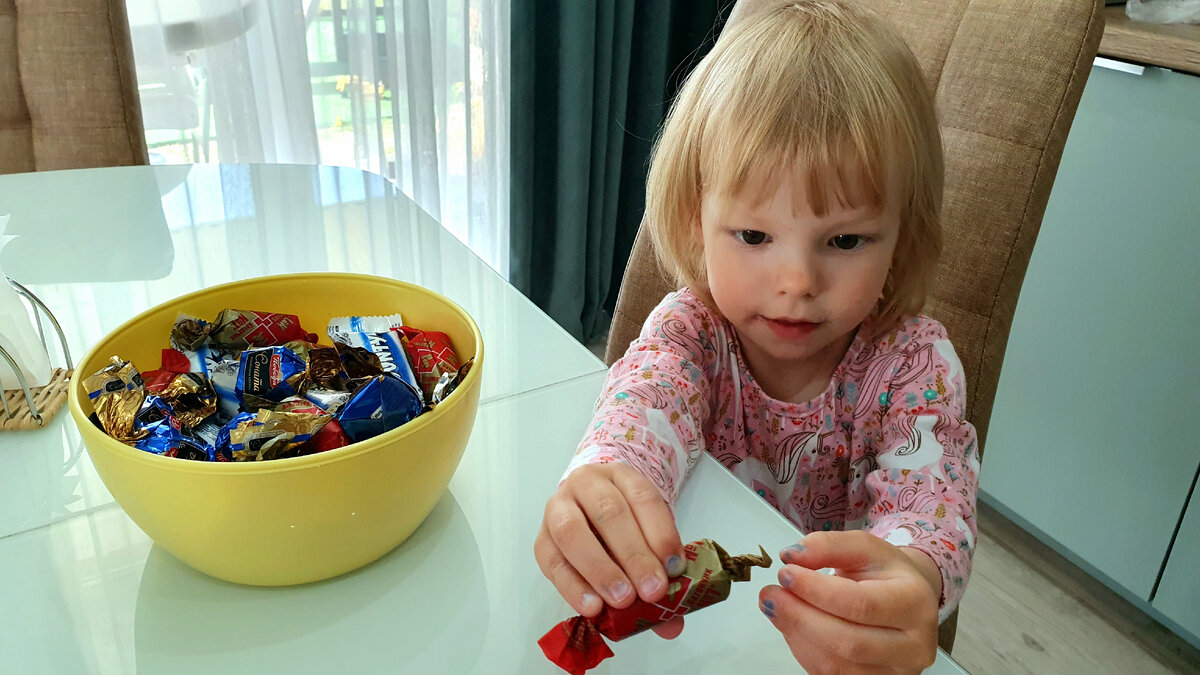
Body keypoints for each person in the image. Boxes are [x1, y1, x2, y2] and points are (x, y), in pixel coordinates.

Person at [534, 0, 979, 671]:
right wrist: (606, 482)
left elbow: (934, 509)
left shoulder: (914, 364)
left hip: (836, 641)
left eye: (846, 239)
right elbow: (640, 408)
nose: (797, 280)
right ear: (694, 222)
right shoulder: (692, 330)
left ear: (902, 237)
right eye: (753, 235)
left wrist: (910, 578)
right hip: (702, 630)